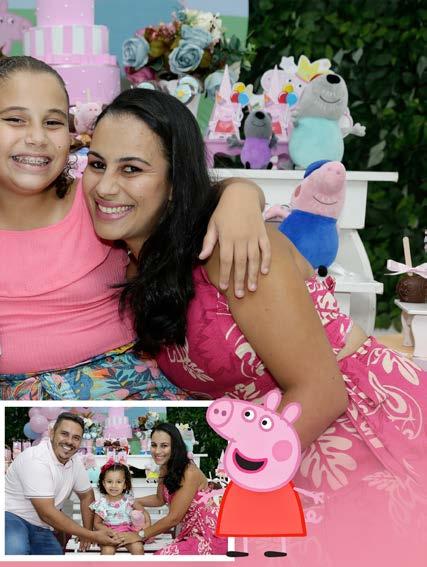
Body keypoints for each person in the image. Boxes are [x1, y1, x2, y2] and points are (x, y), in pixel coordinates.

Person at [83, 87, 427, 566]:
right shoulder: (140, 262)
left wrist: (239, 490)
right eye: (97, 164)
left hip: (358, 428)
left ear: (175, 183)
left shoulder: (233, 250)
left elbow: (323, 393)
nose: (105, 187)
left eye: (131, 169)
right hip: (277, 440)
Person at [0, 55, 270, 400]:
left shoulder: (97, 196)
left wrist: (240, 194)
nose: (37, 137)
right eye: (15, 119)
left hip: (129, 389)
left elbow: (180, 192)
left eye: (53, 122)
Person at [5, 412, 125, 555]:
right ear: (52, 433)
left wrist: (87, 531)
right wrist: (91, 535)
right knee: (15, 550)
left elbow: (87, 495)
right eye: (64, 434)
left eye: (76, 438)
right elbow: (47, 513)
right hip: (11, 516)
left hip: (42, 526)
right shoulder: (36, 459)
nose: (69, 441)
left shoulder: (75, 461)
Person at [134, 423, 226, 555]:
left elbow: (174, 518)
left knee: (159, 558)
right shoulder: (165, 467)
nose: (157, 451)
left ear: (175, 447)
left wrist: (140, 535)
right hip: (191, 532)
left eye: (164, 445)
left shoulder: (189, 472)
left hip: (209, 534)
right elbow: (160, 499)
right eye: (154, 445)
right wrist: (135, 501)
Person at [90, 461, 150, 555]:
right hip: (109, 534)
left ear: (125, 484)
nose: (114, 485)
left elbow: (144, 512)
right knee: (107, 551)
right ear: (104, 483)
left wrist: (147, 525)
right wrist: (110, 532)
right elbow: (97, 523)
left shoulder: (129, 500)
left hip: (128, 533)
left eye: (118, 482)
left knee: (138, 548)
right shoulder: (102, 503)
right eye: (109, 482)